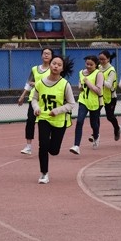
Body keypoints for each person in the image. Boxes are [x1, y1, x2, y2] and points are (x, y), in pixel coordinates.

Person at [30, 54, 76, 184]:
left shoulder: (65, 84)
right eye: (54, 63)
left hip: (59, 120)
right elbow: (34, 99)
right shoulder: (40, 83)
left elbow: (71, 104)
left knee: (54, 151)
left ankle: (51, 148)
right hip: (43, 118)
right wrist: (36, 108)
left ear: (62, 69)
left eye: (59, 65)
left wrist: (57, 110)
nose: (56, 66)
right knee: (42, 145)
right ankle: (44, 173)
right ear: (50, 65)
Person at [16, 47, 53, 155]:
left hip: (47, 99)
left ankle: (47, 143)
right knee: (30, 121)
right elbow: (28, 83)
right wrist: (22, 96)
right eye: (44, 53)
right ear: (41, 55)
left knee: (46, 123)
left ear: (51, 56)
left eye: (48, 54)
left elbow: (52, 84)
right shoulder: (34, 69)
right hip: (34, 99)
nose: (46, 55)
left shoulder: (53, 69)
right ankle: (28, 146)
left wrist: (37, 84)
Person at [70, 55, 103, 154]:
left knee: (94, 123)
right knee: (79, 121)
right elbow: (80, 83)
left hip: (94, 102)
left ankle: (96, 135)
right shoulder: (81, 72)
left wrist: (87, 82)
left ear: (96, 65)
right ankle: (76, 146)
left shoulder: (99, 74)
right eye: (87, 64)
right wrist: (80, 85)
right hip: (83, 100)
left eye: (91, 64)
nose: (88, 66)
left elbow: (98, 90)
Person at [98, 50, 121, 141]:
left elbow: (108, 84)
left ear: (108, 59)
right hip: (100, 96)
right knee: (95, 115)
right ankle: (95, 134)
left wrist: (100, 80)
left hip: (111, 97)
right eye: (100, 59)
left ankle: (117, 128)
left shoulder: (111, 70)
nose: (101, 61)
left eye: (103, 59)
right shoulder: (98, 67)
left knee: (110, 116)